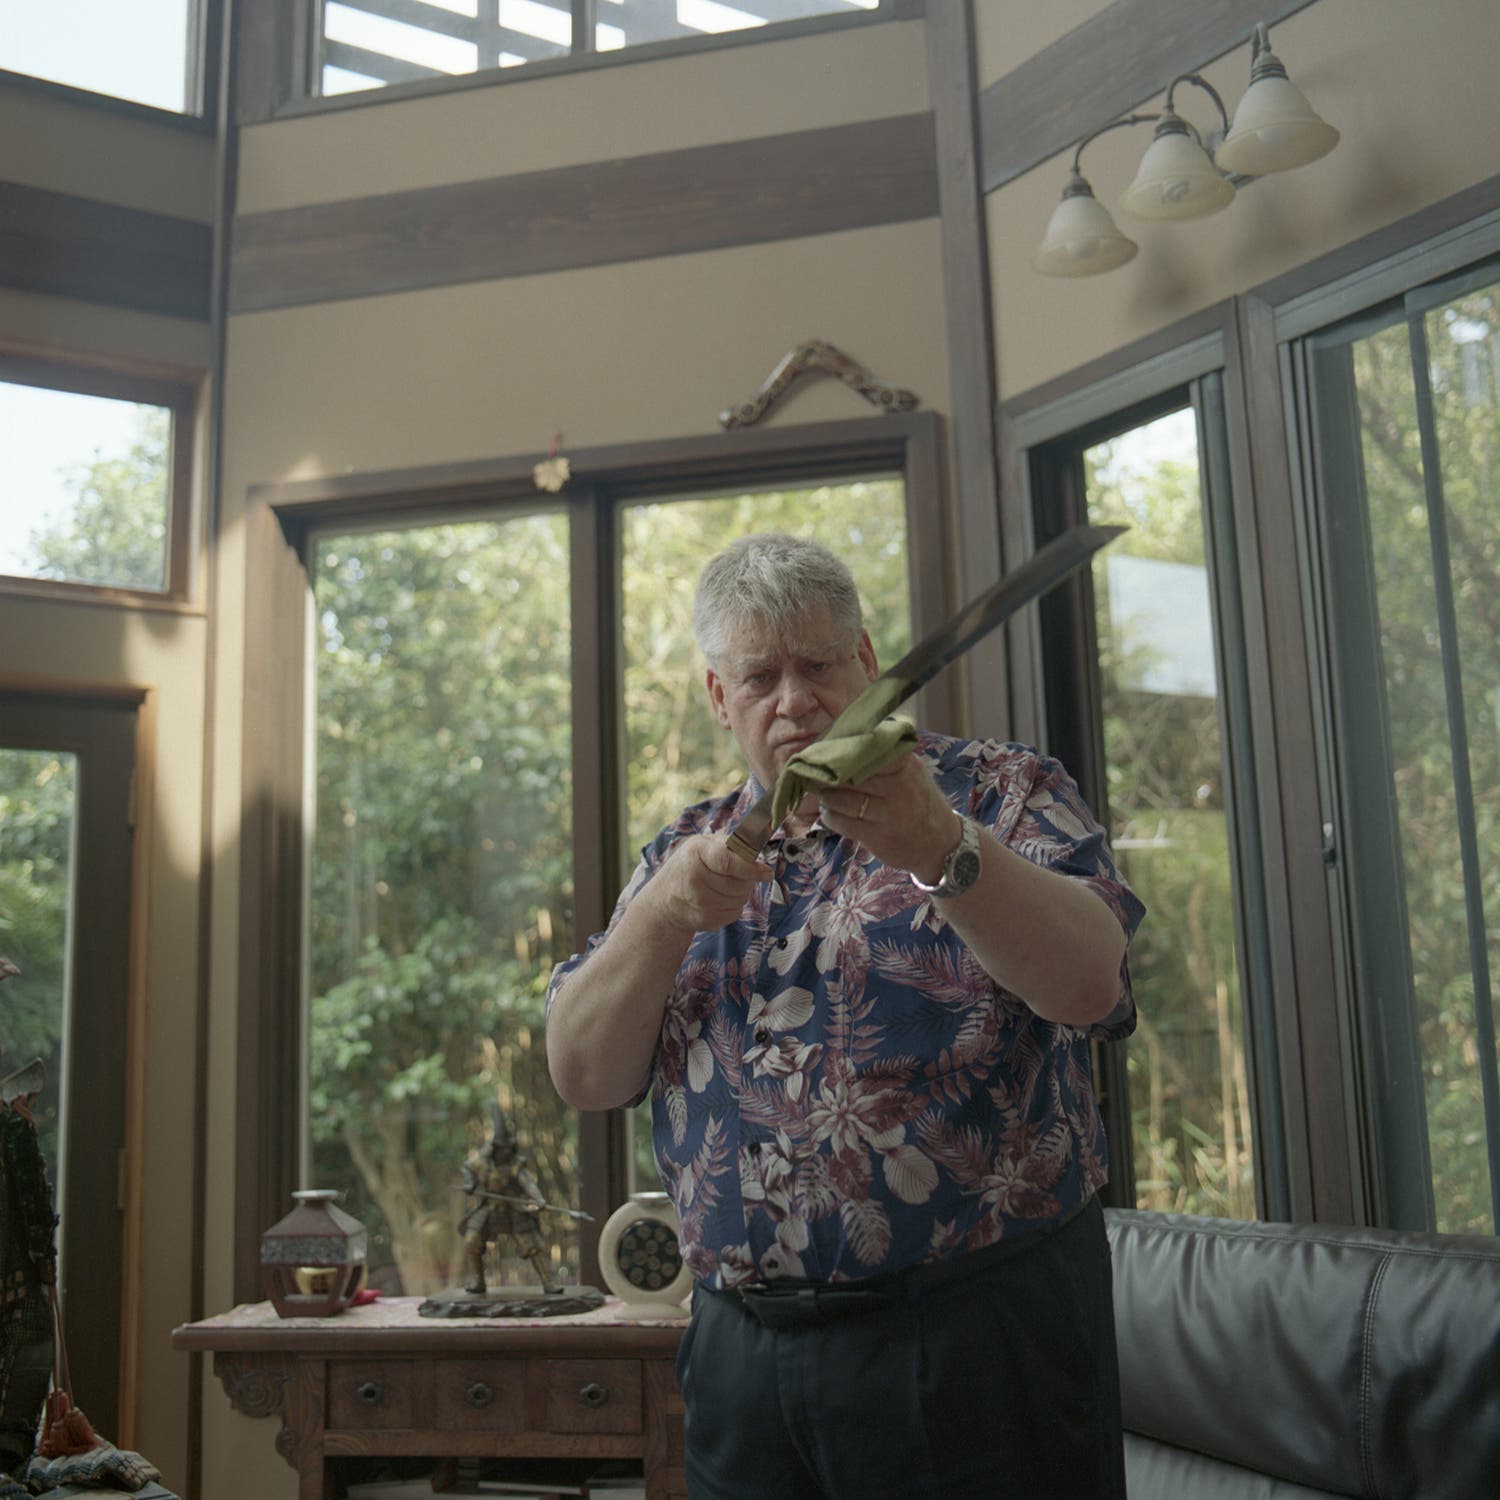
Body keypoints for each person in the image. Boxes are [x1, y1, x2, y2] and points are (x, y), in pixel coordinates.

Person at [545, 533, 1144, 1499]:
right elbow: (583, 1074)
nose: (794, 700)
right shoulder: (680, 856)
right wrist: (661, 917)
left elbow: (1091, 986)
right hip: (742, 1363)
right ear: (717, 697)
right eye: (760, 677)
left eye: (818, 665)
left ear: (867, 665)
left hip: (977, 1342)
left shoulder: (1003, 790)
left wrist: (942, 846)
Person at [458, 1103, 557, 1295]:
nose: (506, 1152)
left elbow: (528, 1183)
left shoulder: (514, 1164)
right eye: (503, 1149)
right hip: (489, 1208)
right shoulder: (482, 1161)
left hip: (513, 1208)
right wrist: (469, 1184)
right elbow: (466, 1169)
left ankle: (548, 1283)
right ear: (495, 1148)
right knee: (472, 1241)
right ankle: (479, 1282)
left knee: (532, 1245)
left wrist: (538, 1199)